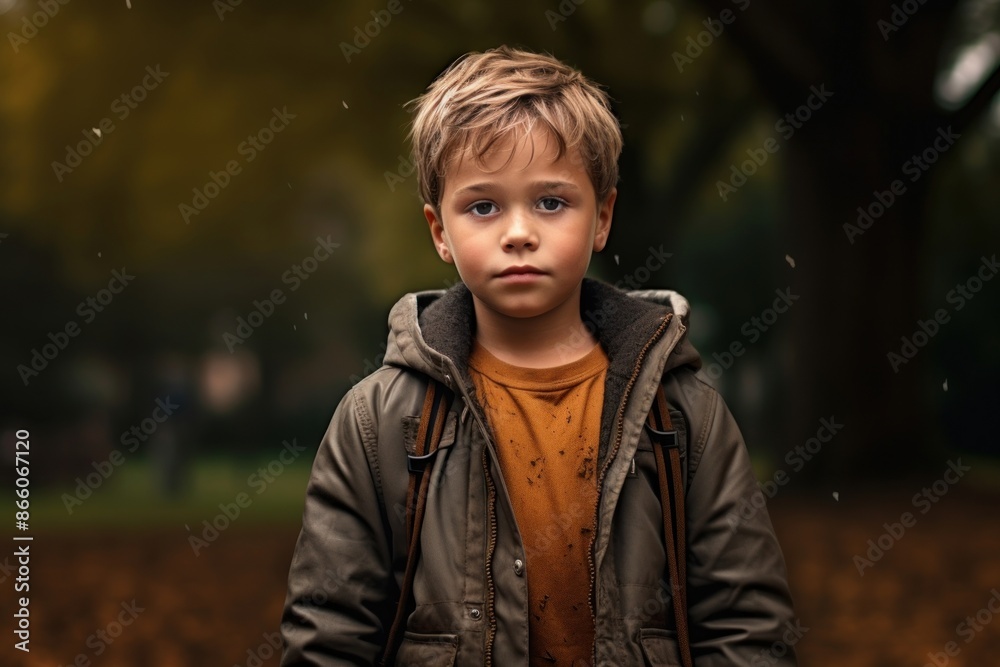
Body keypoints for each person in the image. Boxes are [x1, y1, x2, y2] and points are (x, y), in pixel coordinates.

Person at [280, 45, 797, 666]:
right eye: (483, 206)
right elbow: (330, 636)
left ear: (602, 217)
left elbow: (747, 629)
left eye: (551, 202)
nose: (518, 231)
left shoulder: (684, 414)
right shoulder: (378, 421)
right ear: (439, 230)